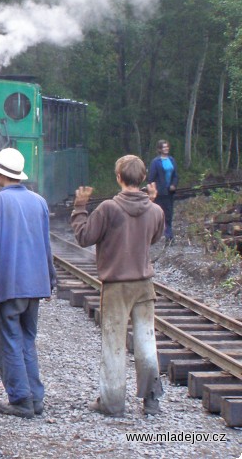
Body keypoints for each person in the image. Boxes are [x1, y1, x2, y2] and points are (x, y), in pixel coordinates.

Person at [70, 155, 165, 417]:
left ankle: (112, 402)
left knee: (114, 343)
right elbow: (153, 236)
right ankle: (152, 400)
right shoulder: (156, 210)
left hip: (116, 287)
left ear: (119, 178)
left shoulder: (108, 209)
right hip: (144, 285)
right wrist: (151, 204)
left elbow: (83, 237)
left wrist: (79, 207)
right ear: (143, 178)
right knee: (146, 343)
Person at [0, 147, 57, 418]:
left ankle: (21, 399)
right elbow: (46, 246)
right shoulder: (39, 201)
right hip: (36, 284)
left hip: (11, 285)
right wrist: (50, 280)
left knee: (7, 342)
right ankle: (35, 398)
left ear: (0, 173)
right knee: (26, 340)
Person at [148, 139, 178, 242]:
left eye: (167, 146)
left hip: (169, 192)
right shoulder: (155, 162)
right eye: (164, 147)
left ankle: (169, 236)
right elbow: (151, 178)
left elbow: (175, 175)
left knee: (169, 213)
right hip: (159, 193)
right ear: (159, 149)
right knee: (159, 214)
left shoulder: (172, 160)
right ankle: (154, 234)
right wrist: (153, 191)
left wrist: (174, 184)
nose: (166, 148)